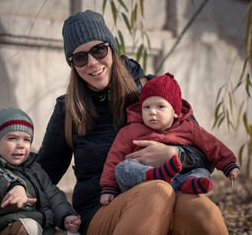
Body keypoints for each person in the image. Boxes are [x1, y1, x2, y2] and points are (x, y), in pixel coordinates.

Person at [0, 9, 230, 235]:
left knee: (200, 208)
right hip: (102, 209)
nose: (92, 63)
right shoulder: (69, 110)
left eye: (99, 50)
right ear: (72, 64)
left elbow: (207, 150)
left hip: (171, 192)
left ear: (112, 48)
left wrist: (177, 154)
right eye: (80, 57)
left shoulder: (154, 91)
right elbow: (43, 172)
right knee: (156, 192)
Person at [100, 73, 240, 205]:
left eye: (160, 106)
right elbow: (114, 157)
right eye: (146, 107)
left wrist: (228, 164)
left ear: (174, 112)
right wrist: (108, 187)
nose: (152, 112)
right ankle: (155, 174)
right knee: (123, 167)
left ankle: (193, 184)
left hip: (181, 179)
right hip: (145, 184)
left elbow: (212, 145)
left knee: (201, 172)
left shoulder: (188, 128)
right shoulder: (130, 131)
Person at [0, 107, 81, 235]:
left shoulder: (36, 170)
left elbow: (54, 195)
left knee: (73, 234)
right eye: (12, 138)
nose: (21, 144)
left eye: (26, 139)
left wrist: (65, 216)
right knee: (30, 226)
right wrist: (14, 187)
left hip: (45, 230)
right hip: (8, 229)